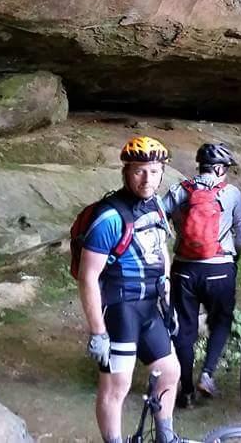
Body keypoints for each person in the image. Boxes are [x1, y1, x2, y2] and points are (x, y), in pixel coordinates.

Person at [76, 136, 181, 443]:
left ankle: (165, 436)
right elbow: (88, 277)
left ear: (162, 172)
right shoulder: (109, 217)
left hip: (149, 307)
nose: (147, 178)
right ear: (126, 172)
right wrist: (98, 332)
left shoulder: (158, 206)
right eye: (139, 171)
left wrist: (167, 298)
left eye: (154, 170)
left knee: (169, 372)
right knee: (116, 386)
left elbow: (162, 252)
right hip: (120, 309)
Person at [162, 143, 241, 408]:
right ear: (220, 168)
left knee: (184, 329)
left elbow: (156, 215)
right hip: (219, 269)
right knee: (221, 321)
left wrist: (177, 233)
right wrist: (233, 254)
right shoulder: (231, 193)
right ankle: (207, 374)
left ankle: (186, 390)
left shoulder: (180, 189)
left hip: (184, 270)